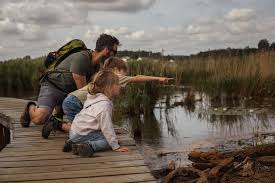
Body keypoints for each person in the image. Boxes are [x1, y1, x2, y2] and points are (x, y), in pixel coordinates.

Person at [42, 57, 173, 139]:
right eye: (124, 72)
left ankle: (57, 122)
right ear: (116, 69)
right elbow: (137, 77)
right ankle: (57, 124)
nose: (124, 77)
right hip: (74, 102)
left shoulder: (101, 76)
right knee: (82, 130)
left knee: (86, 127)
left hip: (72, 99)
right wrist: (159, 78)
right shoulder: (114, 77)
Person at [20, 34, 120, 128]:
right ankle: (30, 107)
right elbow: (84, 93)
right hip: (53, 87)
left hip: (68, 94)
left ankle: (58, 113)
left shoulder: (97, 67)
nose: (114, 56)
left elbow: (94, 91)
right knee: (39, 119)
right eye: (114, 52)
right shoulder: (82, 58)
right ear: (106, 50)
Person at [67, 70, 129, 157]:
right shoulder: (104, 105)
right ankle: (89, 146)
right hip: (81, 134)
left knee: (108, 136)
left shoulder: (94, 98)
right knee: (109, 141)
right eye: (117, 84)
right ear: (109, 87)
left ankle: (72, 143)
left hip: (74, 132)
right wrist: (115, 146)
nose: (120, 86)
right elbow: (106, 127)